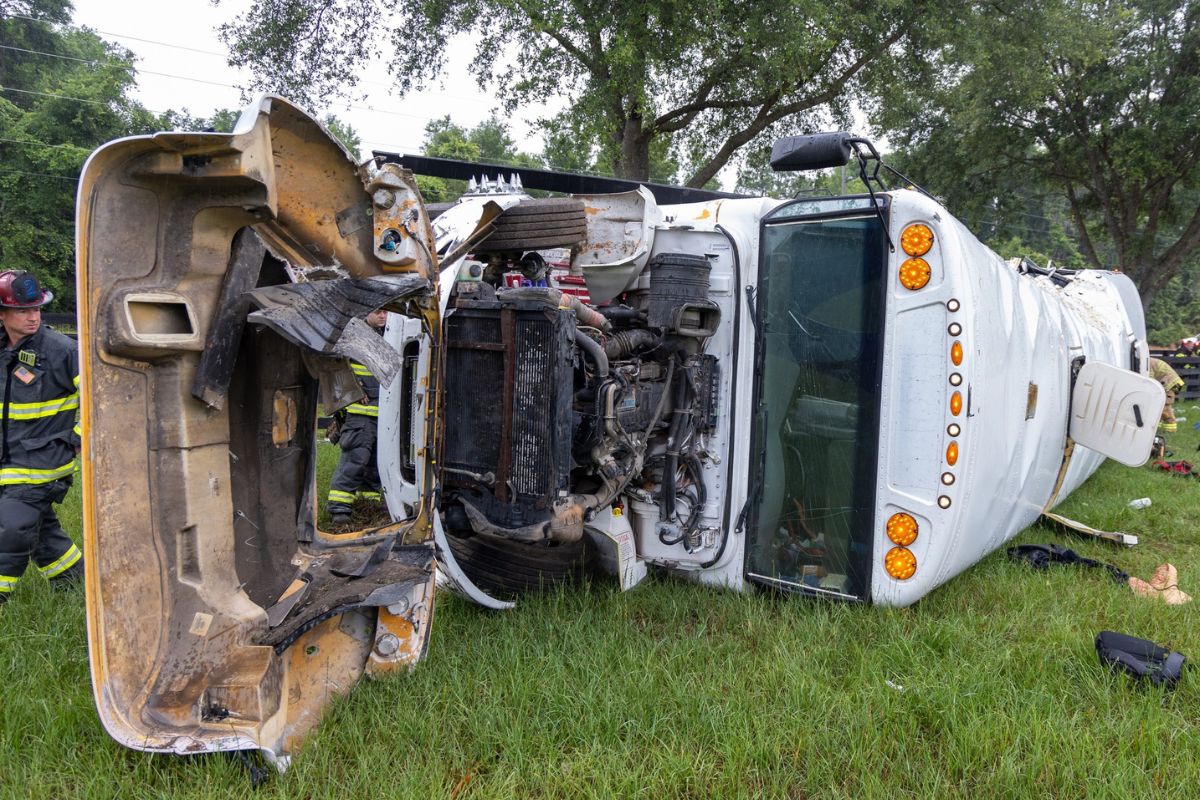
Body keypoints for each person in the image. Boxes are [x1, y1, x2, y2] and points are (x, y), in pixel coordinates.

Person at [0, 271, 82, 603]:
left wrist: (76, 438)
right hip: (9, 461)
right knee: (43, 532)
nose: (33, 316)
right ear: (3, 315)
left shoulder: (63, 350)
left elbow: (105, 399)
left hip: (43, 463)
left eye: (37, 309)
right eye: (23, 310)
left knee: (12, 526)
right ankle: (74, 581)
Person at [326, 308, 388, 526]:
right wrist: (352, 389)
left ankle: (369, 505)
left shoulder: (389, 335)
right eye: (379, 312)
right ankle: (338, 509)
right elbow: (334, 366)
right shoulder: (352, 336)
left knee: (376, 463)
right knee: (356, 458)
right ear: (366, 313)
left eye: (387, 313)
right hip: (359, 415)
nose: (384, 316)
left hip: (385, 416)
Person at [1150, 356, 1186, 433]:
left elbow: (1149, 380)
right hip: (1170, 383)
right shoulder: (1150, 361)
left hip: (1170, 384)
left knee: (1164, 407)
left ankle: (1170, 429)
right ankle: (1156, 429)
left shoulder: (1147, 364)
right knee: (1158, 406)